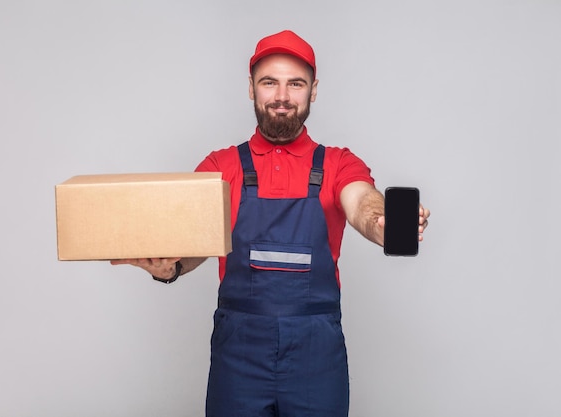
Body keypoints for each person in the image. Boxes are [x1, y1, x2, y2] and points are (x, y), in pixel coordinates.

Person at [111, 29, 431, 417]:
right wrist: (172, 266)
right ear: (251, 89)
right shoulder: (220, 166)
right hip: (239, 353)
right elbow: (196, 240)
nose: (282, 96)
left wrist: (381, 221)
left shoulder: (338, 163)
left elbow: (361, 199)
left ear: (313, 91)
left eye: (295, 84)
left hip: (316, 353)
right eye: (269, 83)